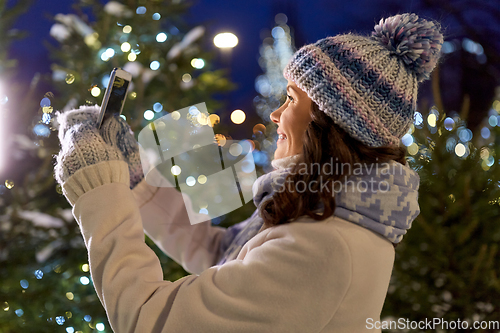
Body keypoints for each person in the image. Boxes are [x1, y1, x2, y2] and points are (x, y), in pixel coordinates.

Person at [54, 13, 443, 333]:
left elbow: (150, 319)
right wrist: (136, 182)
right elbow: (222, 255)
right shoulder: (325, 213)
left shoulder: (325, 249)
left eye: (290, 99)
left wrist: (100, 190)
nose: (275, 114)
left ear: (330, 121)